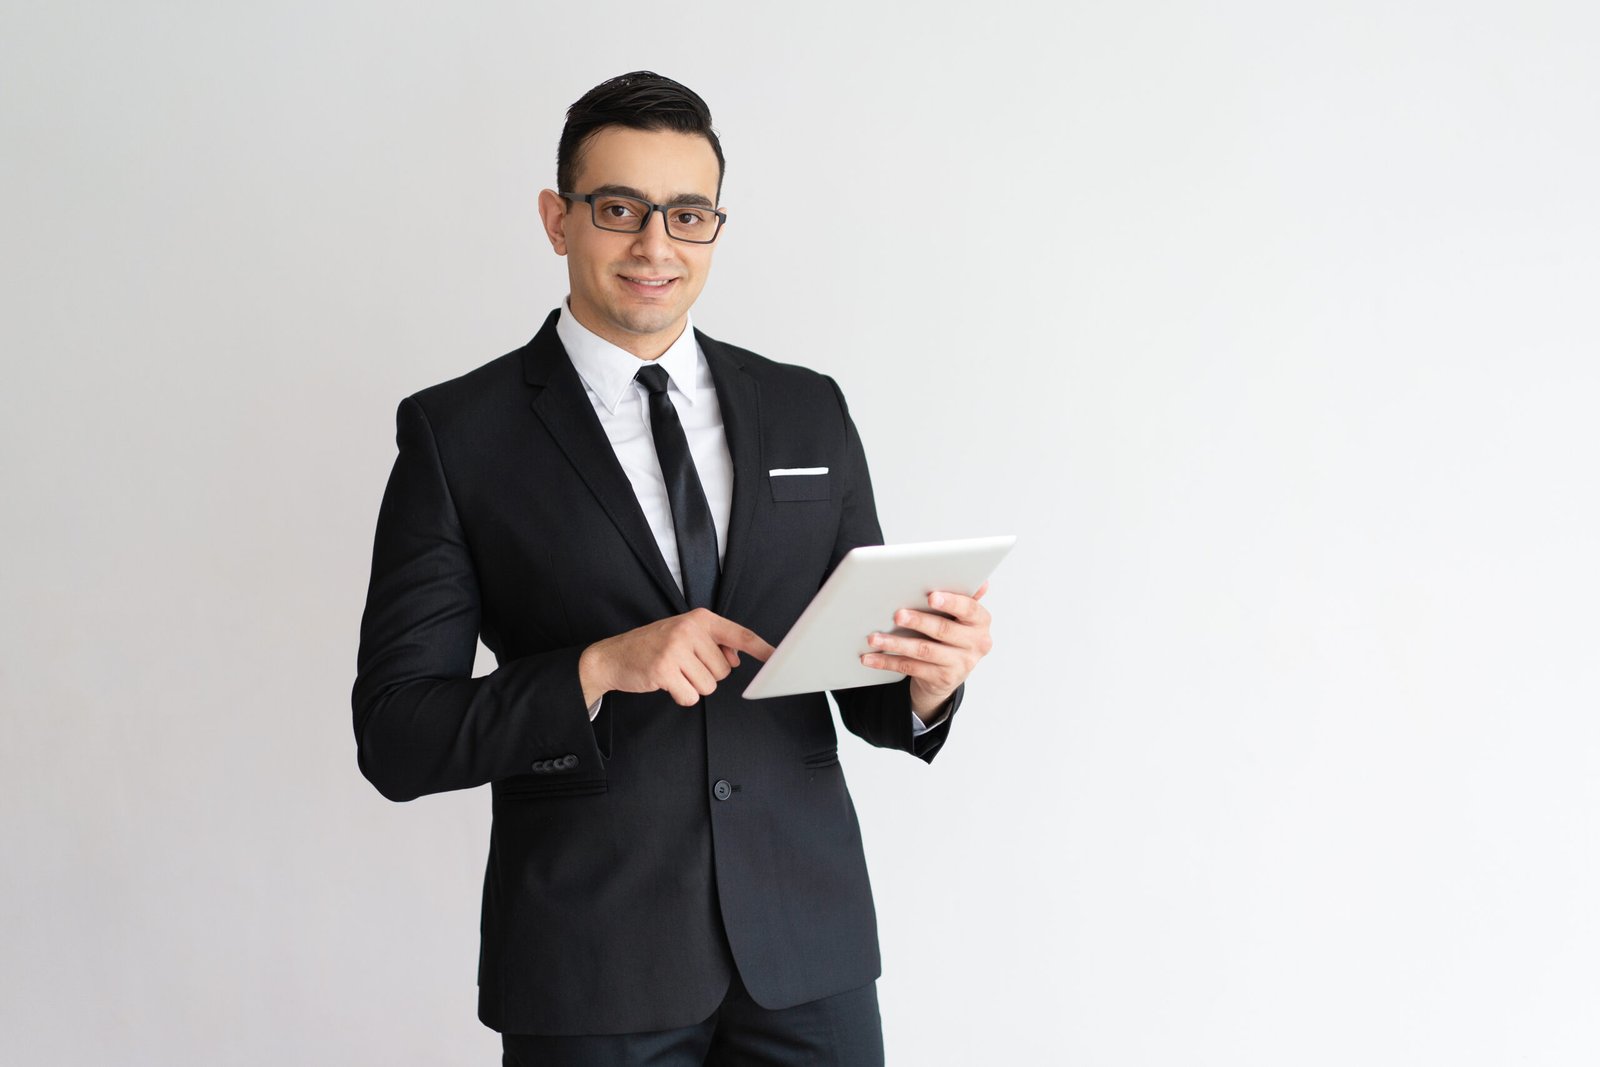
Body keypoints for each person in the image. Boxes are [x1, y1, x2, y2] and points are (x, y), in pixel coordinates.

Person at [351, 71, 995, 1065]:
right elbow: (398, 733)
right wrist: (599, 666)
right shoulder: (458, 434)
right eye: (619, 209)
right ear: (557, 220)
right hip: (591, 962)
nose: (655, 246)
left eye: (686, 214)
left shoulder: (806, 407)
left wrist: (926, 680)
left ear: (714, 230)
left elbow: (863, 691)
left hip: (808, 953)